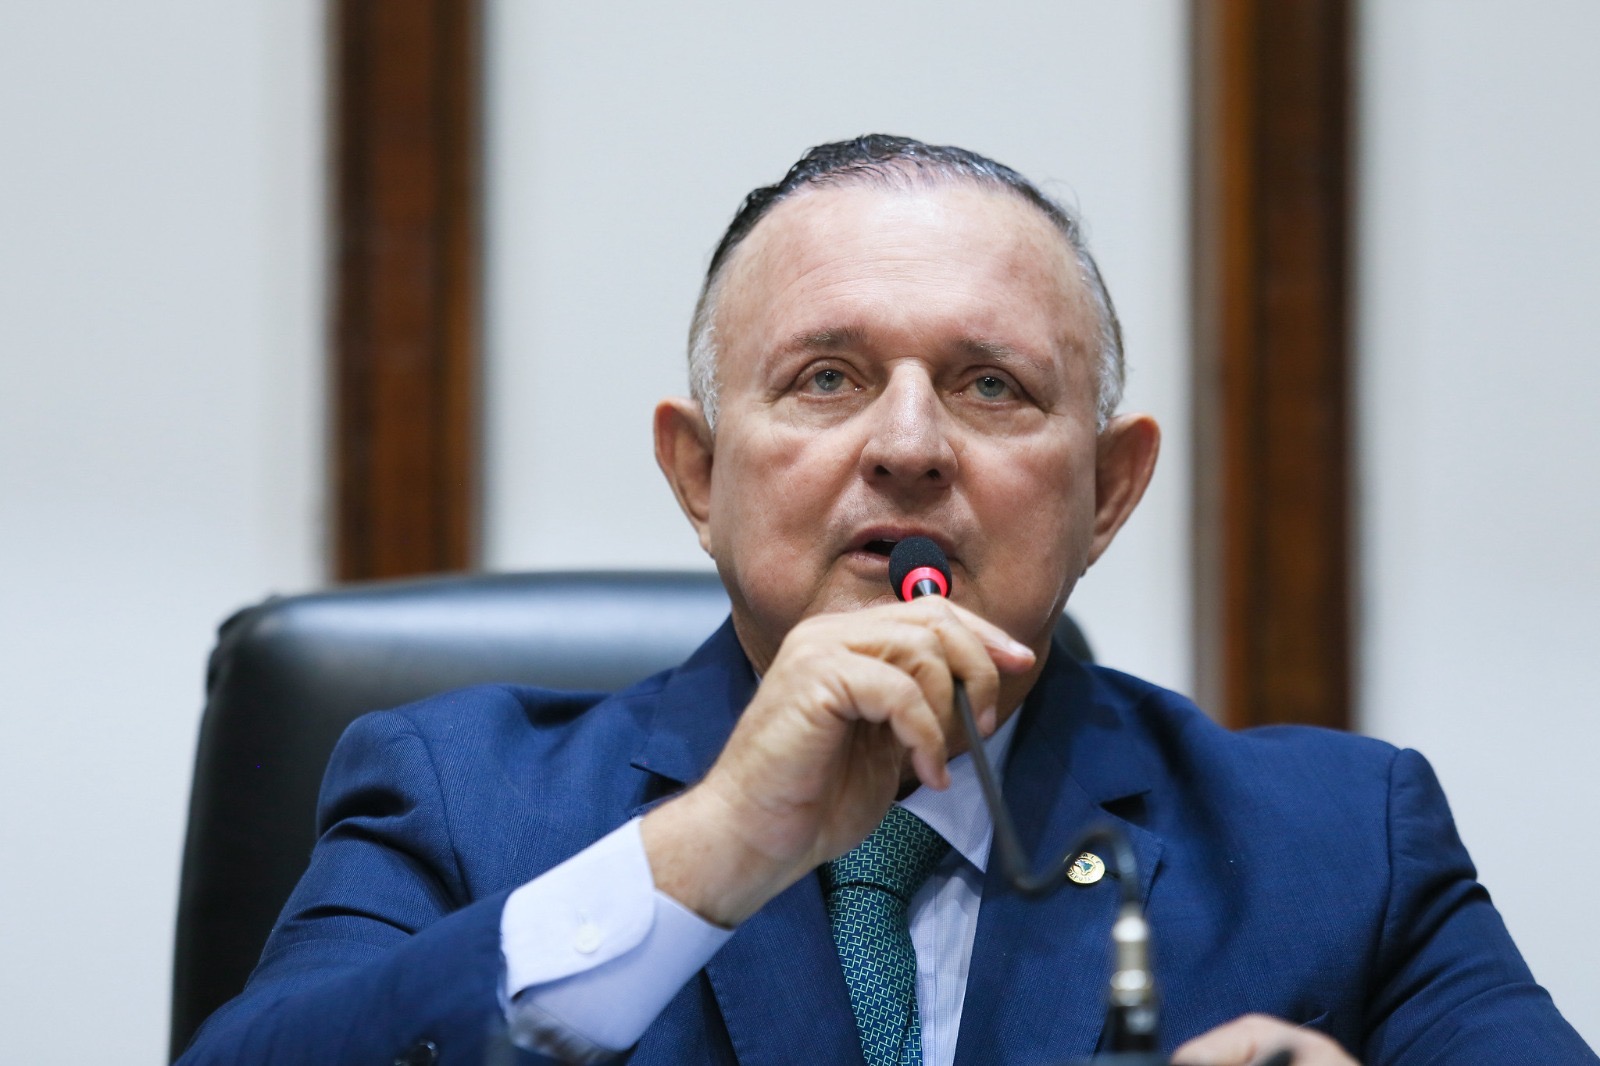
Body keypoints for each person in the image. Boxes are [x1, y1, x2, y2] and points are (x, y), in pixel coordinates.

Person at [178, 136, 1595, 1066]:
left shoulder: (1345, 843)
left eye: (992, 386)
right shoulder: (458, 798)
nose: (909, 445)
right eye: (827, 378)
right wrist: (711, 849)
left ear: (1108, 489)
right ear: (699, 472)